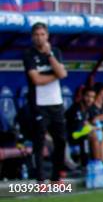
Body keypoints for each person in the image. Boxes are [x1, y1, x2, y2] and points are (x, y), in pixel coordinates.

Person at [22, 22, 68, 182]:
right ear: (32, 37)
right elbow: (36, 79)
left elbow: (62, 73)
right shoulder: (29, 54)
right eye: (36, 35)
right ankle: (40, 179)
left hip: (56, 103)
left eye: (42, 34)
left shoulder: (55, 52)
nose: (39, 38)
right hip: (39, 104)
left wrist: (50, 55)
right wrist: (56, 75)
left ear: (47, 36)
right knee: (39, 142)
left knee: (60, 141)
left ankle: (57, 177)